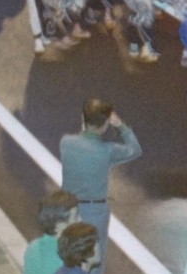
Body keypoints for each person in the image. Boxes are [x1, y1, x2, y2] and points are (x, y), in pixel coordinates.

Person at [59, 99, 143, 250]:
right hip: (95, 213)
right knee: (93, 260)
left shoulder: (66, 143)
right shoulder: (108, 151)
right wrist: (121, 126)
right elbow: (135, 150)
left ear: (83, 119)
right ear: (105, 125)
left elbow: (82, 142)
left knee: (69, 254)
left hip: (69, 210)